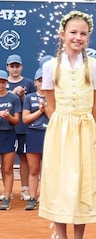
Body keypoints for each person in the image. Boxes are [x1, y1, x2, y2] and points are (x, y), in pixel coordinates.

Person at [38, 11, 96, 239]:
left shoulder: (95, 65)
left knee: (83, 182)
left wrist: (83, 123)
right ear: (62, 35)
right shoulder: (51, 66)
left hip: (85, 128)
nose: (77, 37)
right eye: (73, 33)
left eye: (83, 34)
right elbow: (49, 104)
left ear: (88, 38)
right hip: (60, 130)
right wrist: (63, 125)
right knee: (61, 182)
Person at [5, 54, 36, 205]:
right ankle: (7, 191)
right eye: (12, 66)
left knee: (23, 157)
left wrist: (23, 96)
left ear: (22, 67)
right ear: (7, 67)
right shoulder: (3, 83)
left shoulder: (29, 83)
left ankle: (24, 188)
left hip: (23, 128)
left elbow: (31, 105)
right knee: (6, 161)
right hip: (6, 130)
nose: (15, 69)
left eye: (17, 66)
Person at [21, 68, 48, 211]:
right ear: (36, 82)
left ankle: (46, 198)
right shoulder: (29, 98)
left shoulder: (54, 96)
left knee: (49, 169)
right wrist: (40, 110)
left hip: (50, 134)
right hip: (33, 135)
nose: (42, 83)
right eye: (40, 80)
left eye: (45, 80)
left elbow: (55, 116)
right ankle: (32, 198)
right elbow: (25, 119)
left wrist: (46, 107)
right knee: (34, 169)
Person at [0, 70, 21, 211]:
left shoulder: (13, 99)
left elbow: (17, 121)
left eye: (3, 81)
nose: (1, 84)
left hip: (8, 136)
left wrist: (7, 117)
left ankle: (6, 198)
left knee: (7, 168)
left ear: (6, 82)